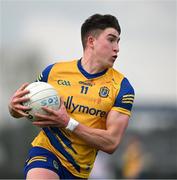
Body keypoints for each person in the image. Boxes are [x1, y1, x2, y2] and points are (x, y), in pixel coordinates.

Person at [8, 14, 135, 179]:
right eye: (111, 40)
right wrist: (13, 108)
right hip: (46, 151)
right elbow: (24, 109)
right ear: (91, 41)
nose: (117, 47)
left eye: (118, 41)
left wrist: (68, 123)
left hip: (79, 170)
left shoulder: (122, 87)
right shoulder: (53, 72)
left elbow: (112, 142)